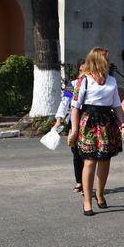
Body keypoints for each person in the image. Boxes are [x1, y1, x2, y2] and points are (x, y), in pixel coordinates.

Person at [68, 47, 124, 216]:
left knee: (105, 160)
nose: (109, 62)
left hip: (106, 122)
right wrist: (74, 130)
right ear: (98, 61)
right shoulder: (84, 80)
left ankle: (100, 193)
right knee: (89, 161)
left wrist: (123, 125)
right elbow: (75, 106)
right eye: (107, 59)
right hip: (88, 122)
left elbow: (117, 105)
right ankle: (87, 200)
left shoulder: (111, 81)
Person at [52, 59, 85, 193]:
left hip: (91, 120)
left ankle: (87, 182)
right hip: (74, 120)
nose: (83, 73)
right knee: (76, 153)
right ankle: (79, 181)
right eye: (81, 70)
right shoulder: (72, 85)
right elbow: (64, 102)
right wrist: (58, 120)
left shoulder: (95, 83)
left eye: (86, 70)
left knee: (89, 154)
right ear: (78, 71)